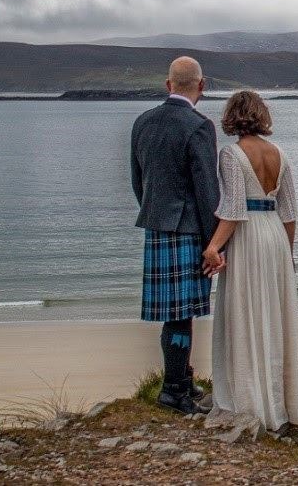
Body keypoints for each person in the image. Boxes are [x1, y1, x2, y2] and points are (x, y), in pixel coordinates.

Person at [203, 90, 298, 431]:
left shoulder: (231, 155)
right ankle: (282, 404)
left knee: (246, 313)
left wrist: (214, 247)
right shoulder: (281, 154)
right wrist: (286, 254)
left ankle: (250, 401)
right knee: (274, 317)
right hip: (275, 234)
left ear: (232, 116)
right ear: (262, 115)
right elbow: (290, 213)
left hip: (248, 236)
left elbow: (232, 209)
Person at [130, 56, 217, 415]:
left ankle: (180, 379)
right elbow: (207, 190)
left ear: (168, 85)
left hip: (157, 225)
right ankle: (173, 390)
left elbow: (139, 181)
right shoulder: (199, 125)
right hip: (188, 229)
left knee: (174, 313)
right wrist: (215, 243)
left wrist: (155, 213)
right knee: (182, 313)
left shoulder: (142, 122)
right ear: (202, 85)